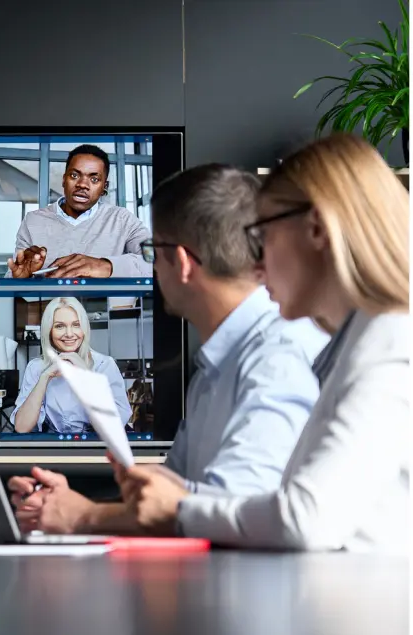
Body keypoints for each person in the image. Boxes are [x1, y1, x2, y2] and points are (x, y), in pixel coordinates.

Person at [116, 135, 408, 553]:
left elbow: (304, 518)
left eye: (264, 234)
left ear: (317, 230)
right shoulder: (358, 341)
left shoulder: (390, 344)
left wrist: (180, 507)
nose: (256, 260)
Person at [9, 164, 328, 535]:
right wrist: (66, 505)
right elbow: (179, 497)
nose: (152, 266)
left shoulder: (276, 358)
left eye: (152, 251)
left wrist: (83, 517)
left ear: (180, 261)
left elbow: (239, 513)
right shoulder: (218, 364)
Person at [6, 144, 151, 279]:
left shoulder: (123, 219)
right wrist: (20, 278)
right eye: (74, 176)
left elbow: (160, 261)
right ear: (64, 180)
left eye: (94, 179)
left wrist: (105, 265)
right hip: (49, 307)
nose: (82, 184)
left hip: (100, 307)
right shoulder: (33, 221)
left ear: (104, 187)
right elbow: (14, 275)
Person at [10, 296, 132, 435]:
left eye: (76, 325)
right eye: (59, 326)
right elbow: (22, 427)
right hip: (55, 447)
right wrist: (44, 378)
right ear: (49, 331)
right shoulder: (36, 367)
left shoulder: (105, 366)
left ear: (84, 329)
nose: (69, 334)